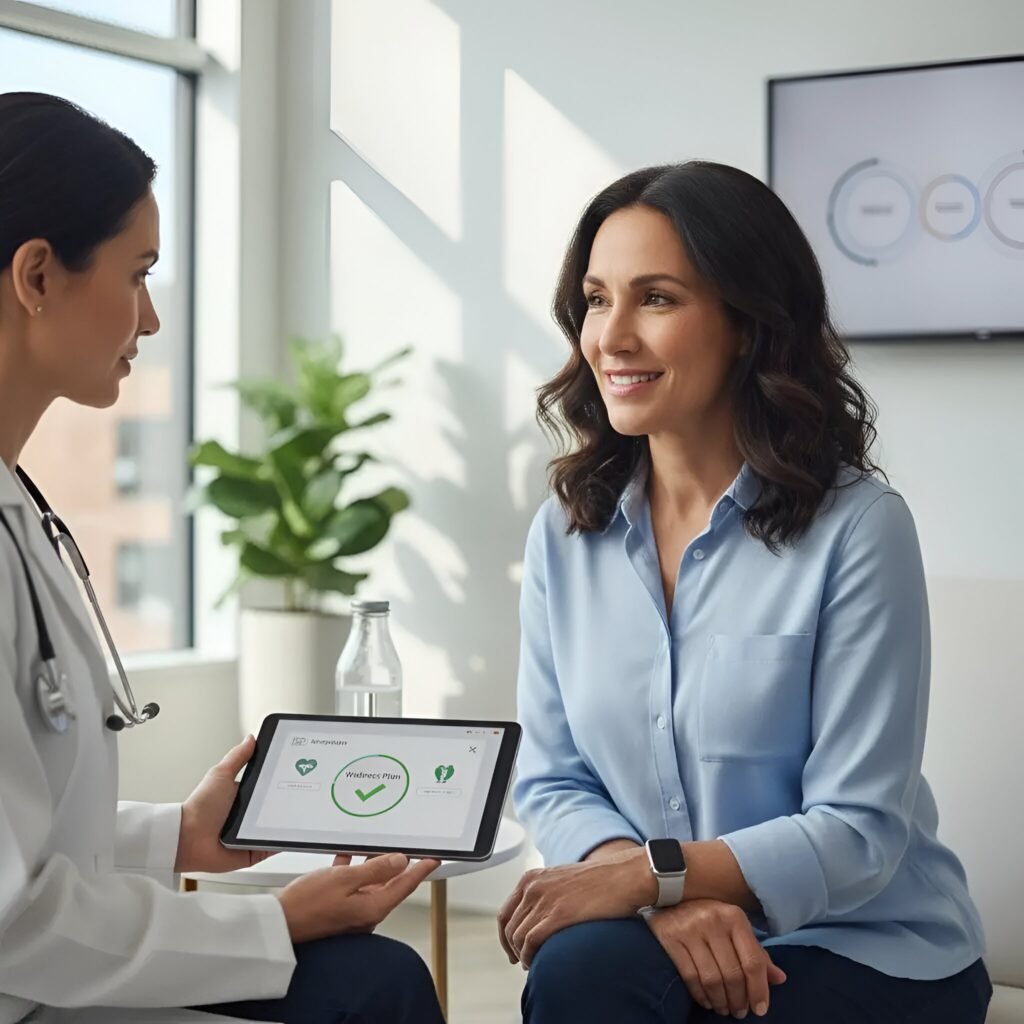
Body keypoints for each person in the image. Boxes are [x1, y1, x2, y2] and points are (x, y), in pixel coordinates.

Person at [500, 161, 993, 1023]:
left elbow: (859, 827)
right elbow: (554, 776)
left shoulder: (858, 527)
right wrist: (659, 890)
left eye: (656, 299)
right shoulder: (565, 533)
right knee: (581, 968)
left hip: (865, 946)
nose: (612, 336)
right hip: (655, 928)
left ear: (747, 324)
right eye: (596, 299)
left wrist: (652, 877)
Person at [0, 92, 445, 1024]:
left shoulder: (18, 506)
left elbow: (24, 844)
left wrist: (178, 836)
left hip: (42, 976)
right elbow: (12, 920)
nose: (151, 319)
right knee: (372, 987)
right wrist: (271, 921)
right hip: (29, 988)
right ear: (38, 275)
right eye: (138, 275)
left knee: (374, 978)